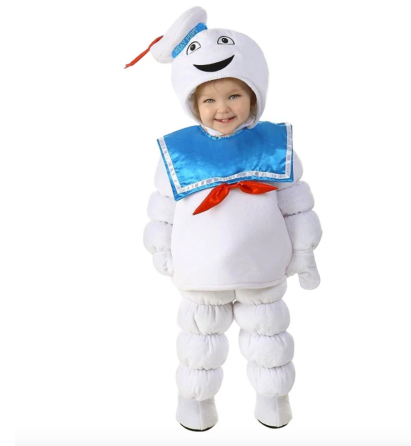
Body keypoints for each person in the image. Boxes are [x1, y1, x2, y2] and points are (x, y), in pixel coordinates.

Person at [135, 7, 323, 431]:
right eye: (209, 99)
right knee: (199, 347)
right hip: (202, 272)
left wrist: (305, 252)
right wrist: (161, 251)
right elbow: (162, 210)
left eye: (234, 95)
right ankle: (196, 409)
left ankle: (274, 405)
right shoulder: (179, 153)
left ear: (255, 94)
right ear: (192, 103)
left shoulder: (275, 146)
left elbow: (296, 204)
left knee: (270, 343)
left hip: (263, 266)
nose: (223, 108)